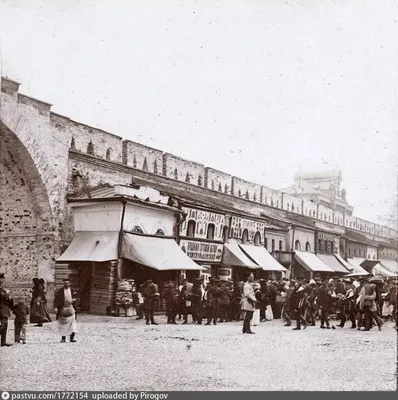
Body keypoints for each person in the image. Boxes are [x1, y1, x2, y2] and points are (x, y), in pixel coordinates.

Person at [54, 278, 78, 343]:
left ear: (69, 283)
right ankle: (63, 338)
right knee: (63, 325)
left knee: (72, 325)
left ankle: (72, 338)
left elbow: (76, 299)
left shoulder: (73, 291)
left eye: (67, 283)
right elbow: (57, 300)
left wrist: (74, 300)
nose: (66, 284)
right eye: (64, 283)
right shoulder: (60, 291)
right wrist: (56, 307)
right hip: (63, 309)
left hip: (71, 309)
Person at [0, 273, 13, 346]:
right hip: (1, 309)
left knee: (5, 324)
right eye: (2, 278)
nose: (3, 280)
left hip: (3, 309)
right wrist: (7, 294)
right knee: (4, 324)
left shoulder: (2, 287)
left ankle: (3, 342)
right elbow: (2, 297)